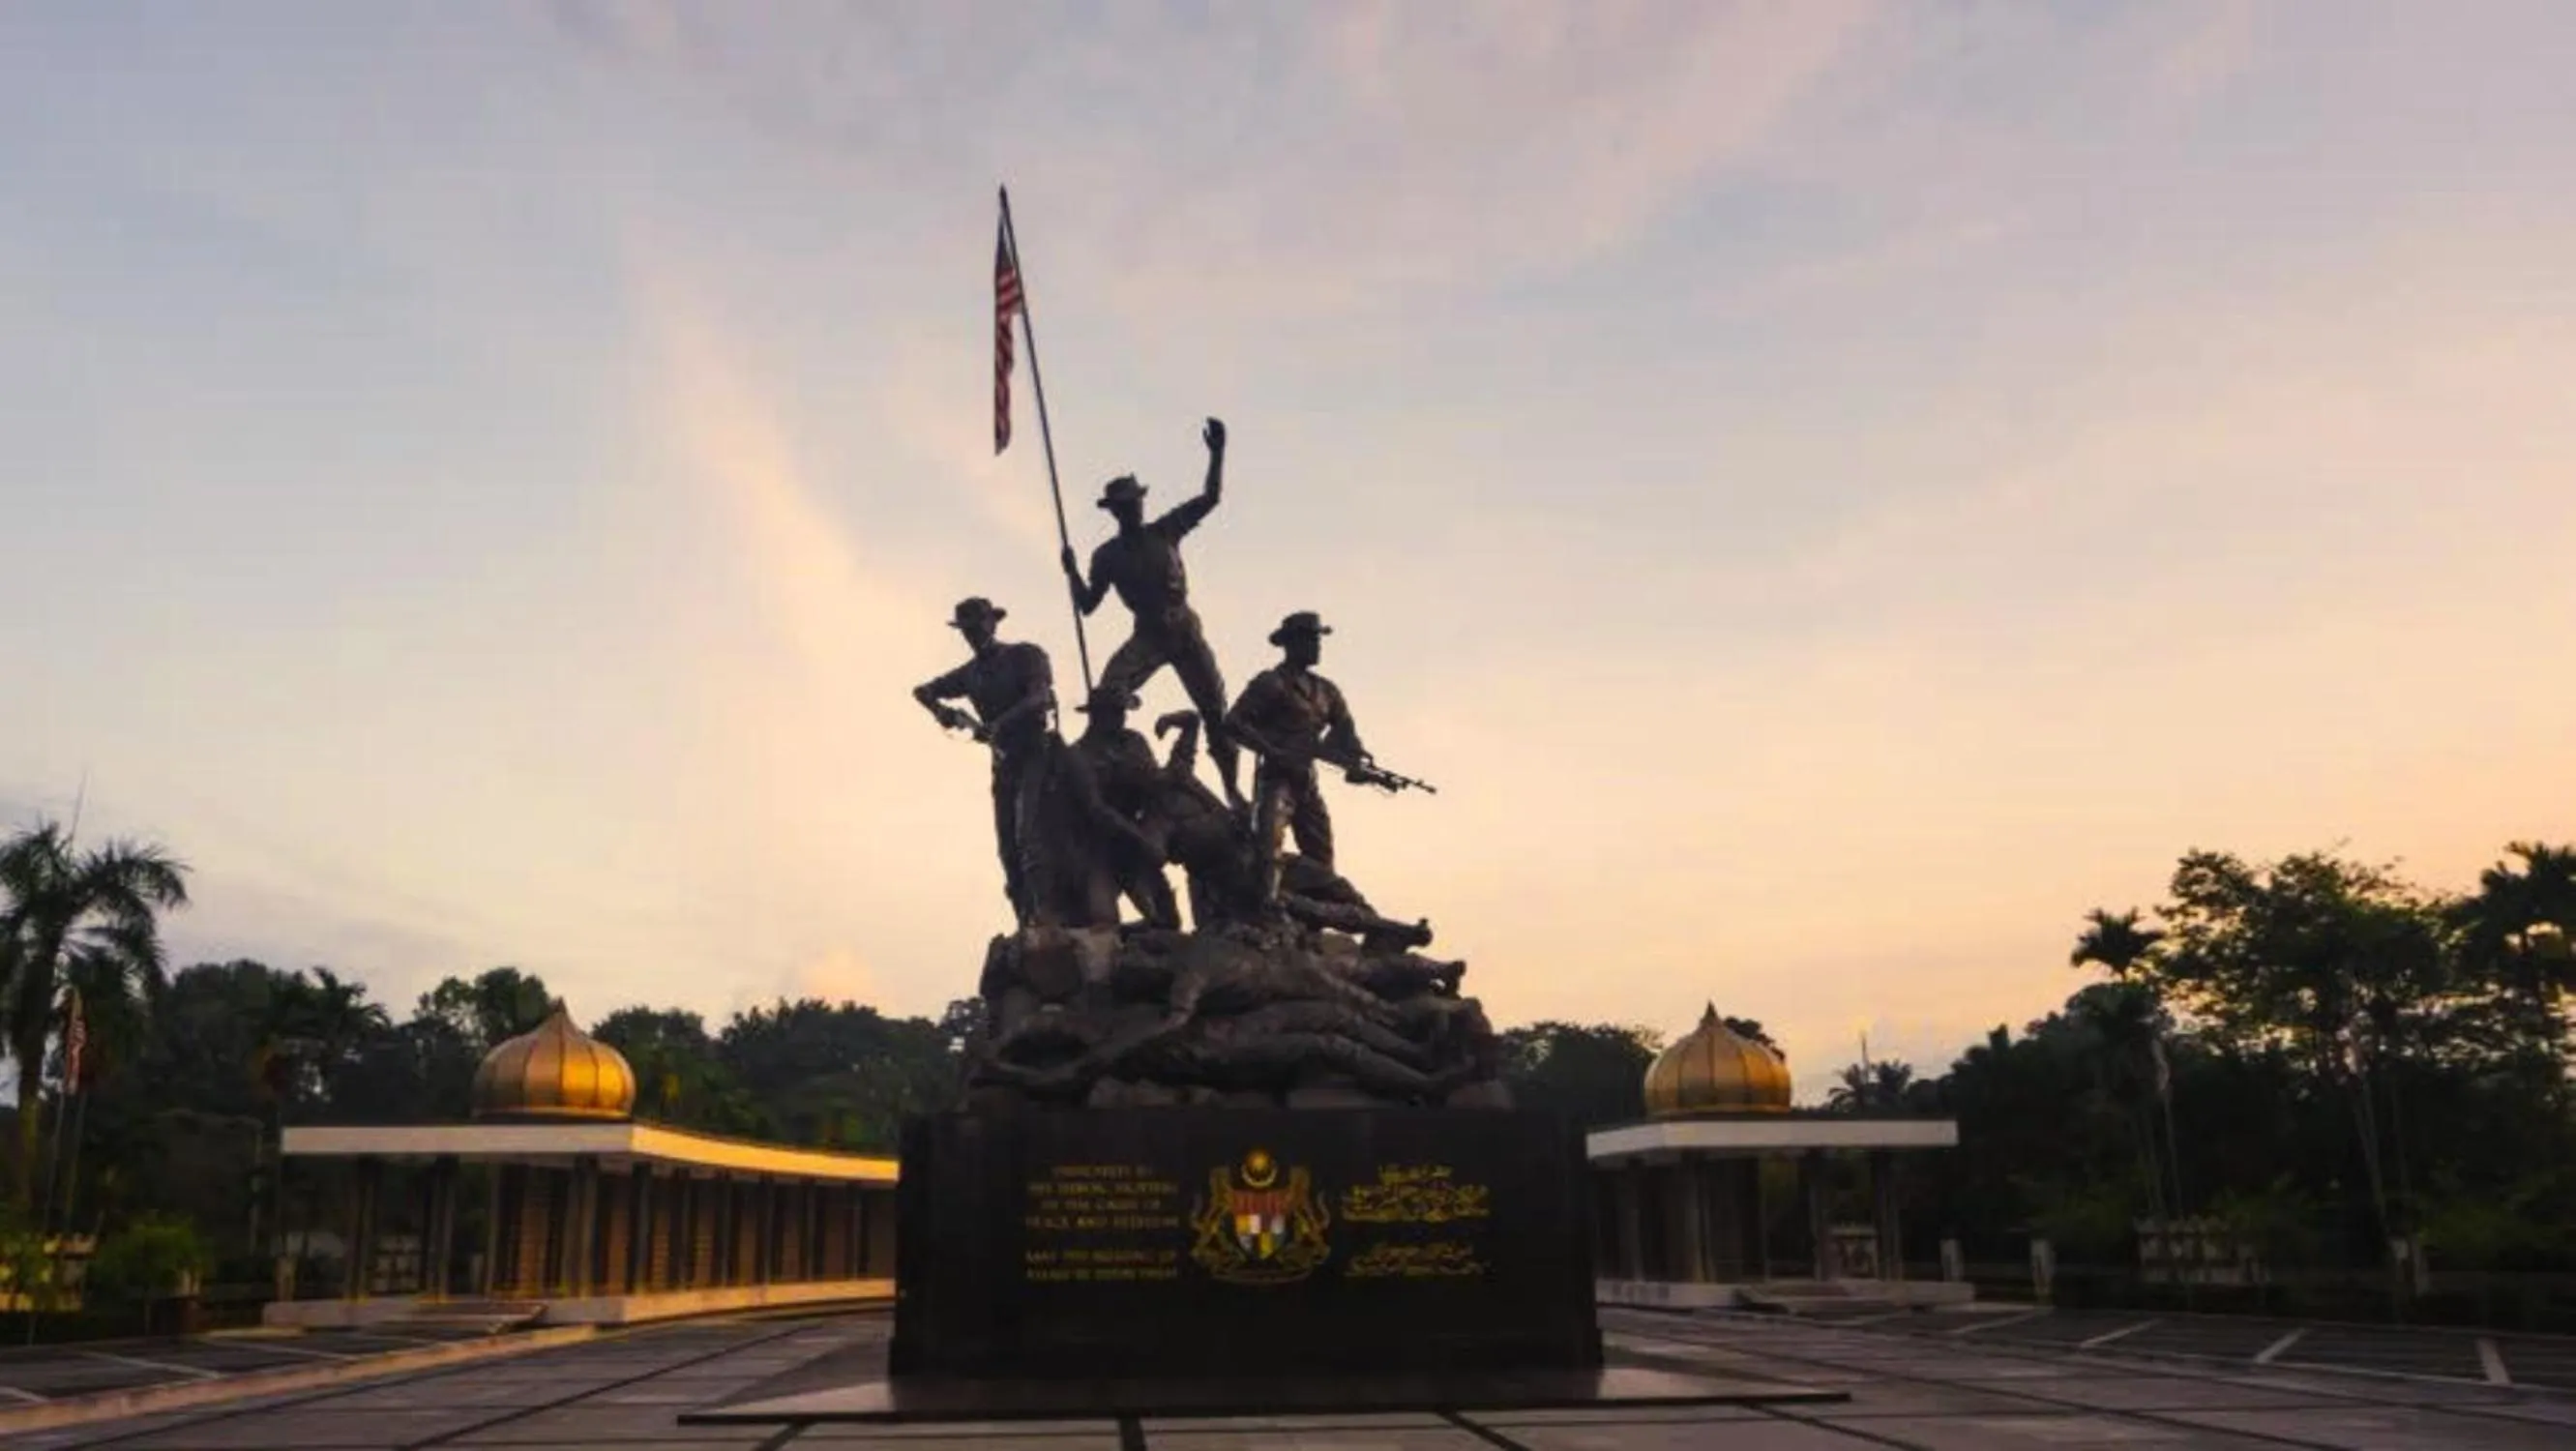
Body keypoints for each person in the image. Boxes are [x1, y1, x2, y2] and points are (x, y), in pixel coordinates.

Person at [1061, 417, 1246, 812]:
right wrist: (1073, 572)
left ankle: (1232, 788)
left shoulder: (1166, 531)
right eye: (1126, 506)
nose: (1134, 509)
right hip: (1147, 635)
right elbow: (1089, 606)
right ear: (1115, 511)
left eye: (1136, 502)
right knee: (1109, 688)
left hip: (1184, 630)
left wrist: (1217, 454)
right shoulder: (1106, 556)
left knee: (1216, 711)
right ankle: (1109, 763)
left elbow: (1209, 498)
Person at [912, 597, 1055, 924]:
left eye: (977, 626)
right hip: (1004, 764)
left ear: (992, 623)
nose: (972, 635)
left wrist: (1000, 724)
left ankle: (1047, 912)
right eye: (966, 630)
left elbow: (1040, 697)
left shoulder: (1025, 654)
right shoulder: (970, 673)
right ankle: (1025, 919)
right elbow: (922, 690)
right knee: (1008, 848)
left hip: (1037, 753)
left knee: (1029, 835)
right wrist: (941, 712)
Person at [1224, 610, 1368, 906]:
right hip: (1276, 779)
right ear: (1292, 644)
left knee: (1321, 857)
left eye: (1318, 640)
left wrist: (1357, 762)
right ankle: (1266, 911)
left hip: (1307, 781)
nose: (1317, 647)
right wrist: (1273, 751)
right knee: (1268, 850)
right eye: (1311, 640)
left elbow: (1345, 734)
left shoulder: (1327, 691)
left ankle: (1316, 920)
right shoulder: (1270, 683)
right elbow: (1234, 723)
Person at [1069, 683, 1181, 928]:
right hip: (1096, 848)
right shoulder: (1077, 755)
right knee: (1100, 923)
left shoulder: (1134, 742)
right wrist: (1141, 839)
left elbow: (1153, 784)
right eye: (1115, 712)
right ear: (1097, 715)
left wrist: (1155, 831)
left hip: (1134, 842)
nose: (1122, 718)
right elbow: (1095, 809)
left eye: (1122, 712)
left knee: (1167, 921)